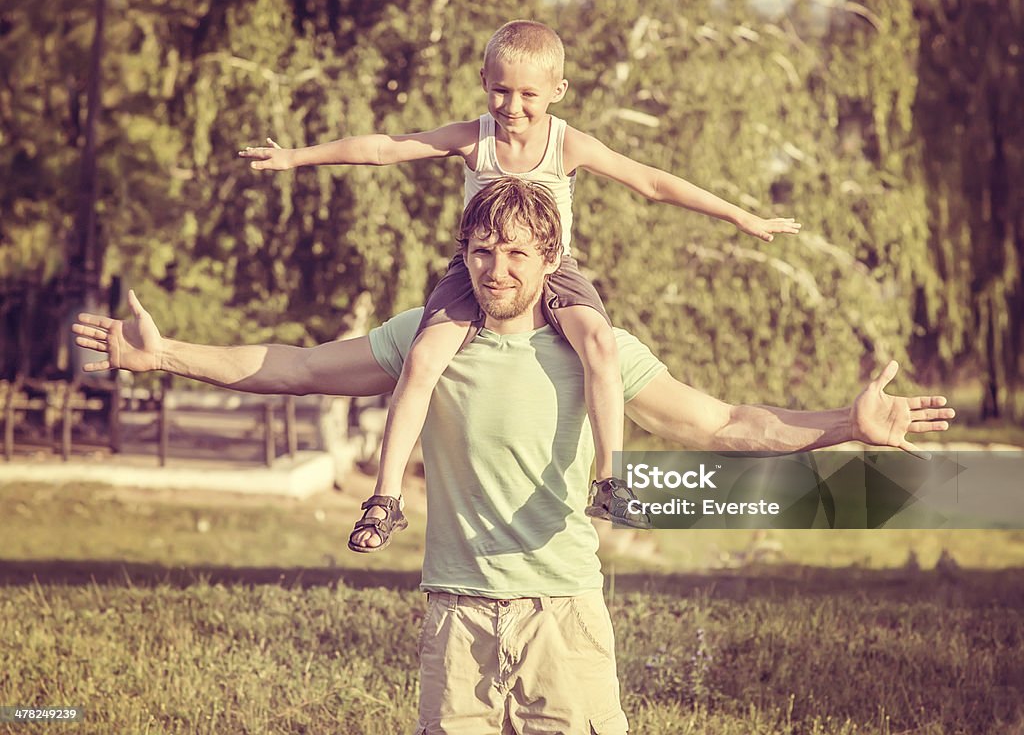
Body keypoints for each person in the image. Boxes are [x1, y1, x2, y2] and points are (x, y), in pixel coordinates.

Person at [73, 179, 953, 734]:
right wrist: (167, 355)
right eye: (483, 250)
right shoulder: (428, 338)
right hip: (456, 618)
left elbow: (726, 425)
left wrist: (844, 423)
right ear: (462, 253)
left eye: (519, 253)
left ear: (551, 261)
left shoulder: (594, 351)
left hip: (562, 616)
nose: (498, 267)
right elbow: (296, 369)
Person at [238, 19, 803, 551]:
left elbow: (651, 183)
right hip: (474, 270)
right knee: (423, 356)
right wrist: (295, 158)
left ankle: (610, 481)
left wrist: (741, 217)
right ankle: (385, 498)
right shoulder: (473, 138)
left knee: (601, 345)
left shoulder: (567, 144)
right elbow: (386, 148)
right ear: (484, 82)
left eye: (528, 95)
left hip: (555, 269)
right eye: (501, 91)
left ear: (557, 90)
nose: (512, 107)